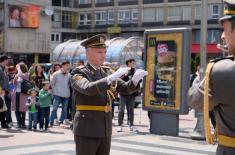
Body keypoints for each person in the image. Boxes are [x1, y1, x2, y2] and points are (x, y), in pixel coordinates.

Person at [71, 34, 148, 155]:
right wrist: (110, 78)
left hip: (105, 127)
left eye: (104, 52)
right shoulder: (79, 72)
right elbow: (88, 88)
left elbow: (124, 88)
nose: (103, 55)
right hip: (87, 128)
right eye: (99, 52)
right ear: (88, 54)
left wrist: (134, 80)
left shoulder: (106, 71)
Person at [188, 1, 235, 154]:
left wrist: (199, 78)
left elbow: (194, 100)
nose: (222, 36)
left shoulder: (223, 70)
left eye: (225, 28)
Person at [117, 59, 139, 132]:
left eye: (134, 63)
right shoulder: (123, 70)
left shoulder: (134, 71)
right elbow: (118, 80)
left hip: (132, 94)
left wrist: (138, 77)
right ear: (128, 63)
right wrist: (124, 75)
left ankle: (131, 125)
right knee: (121, 109)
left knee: (131, 110)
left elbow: (138, 81)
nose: (133, 64)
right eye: (132, 63)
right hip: (123, 93)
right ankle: (120, 125)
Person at [50, 61, 71, 126]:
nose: (68, 67)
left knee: (64, 110)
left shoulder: (69, 75)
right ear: (63, 65)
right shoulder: (56, 74)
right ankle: (51, 122)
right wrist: (54, 91)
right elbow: (52, 83)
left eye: (68, 65)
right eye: (67, 65)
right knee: (54, 109)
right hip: (57, 94)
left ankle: (61, 122)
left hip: (66, 95)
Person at [12, 62, 29, 129]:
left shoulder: (26, 74)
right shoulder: (17, 75)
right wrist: (15, 78)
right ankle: (19, 123)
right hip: (16, 93)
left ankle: (23, 123)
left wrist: (18, 73)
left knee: (22, 109)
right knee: (17, 109)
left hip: (23, 94)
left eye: (18, 67)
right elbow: (14, 84)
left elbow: (23, 77)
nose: (17, 69)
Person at [0, 55, 10, 128]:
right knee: (1, 107)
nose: (8, 61)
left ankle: (3, 123)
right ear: (4, 60)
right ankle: (3, 123)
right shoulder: (0, 69)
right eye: (7, 60)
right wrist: (1, 90)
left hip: (5, 91)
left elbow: (6, 79)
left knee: (4, 108)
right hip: (1, 91)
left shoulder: (4, 69)